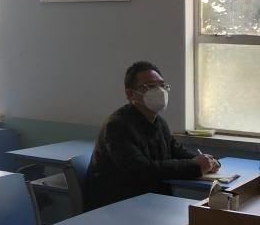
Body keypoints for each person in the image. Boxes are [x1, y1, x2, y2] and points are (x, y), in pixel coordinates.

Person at [83, 60, 219, 210]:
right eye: (150, 86)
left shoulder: (158, 122)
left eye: (162, 85)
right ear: (130, 94)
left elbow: (176, 151)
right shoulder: (116, 126)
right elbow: (142, 170)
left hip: (148, 199)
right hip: (115, 205)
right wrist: (195, 166)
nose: (159, 91)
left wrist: (206, 161)